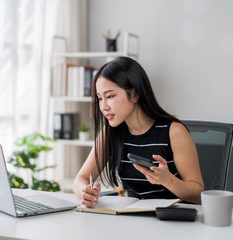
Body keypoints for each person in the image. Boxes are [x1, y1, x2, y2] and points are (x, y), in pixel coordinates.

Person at [73, 56, 204, 208]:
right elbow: (80, 179)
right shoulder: (110, 133)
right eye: (100, 98)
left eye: (110, 96)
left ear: (135, 94)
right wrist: (85, 191)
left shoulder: (174, 132)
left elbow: (197, 194)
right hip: (135, 220)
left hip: (175, 220)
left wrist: (168, 180)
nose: (103, 106)